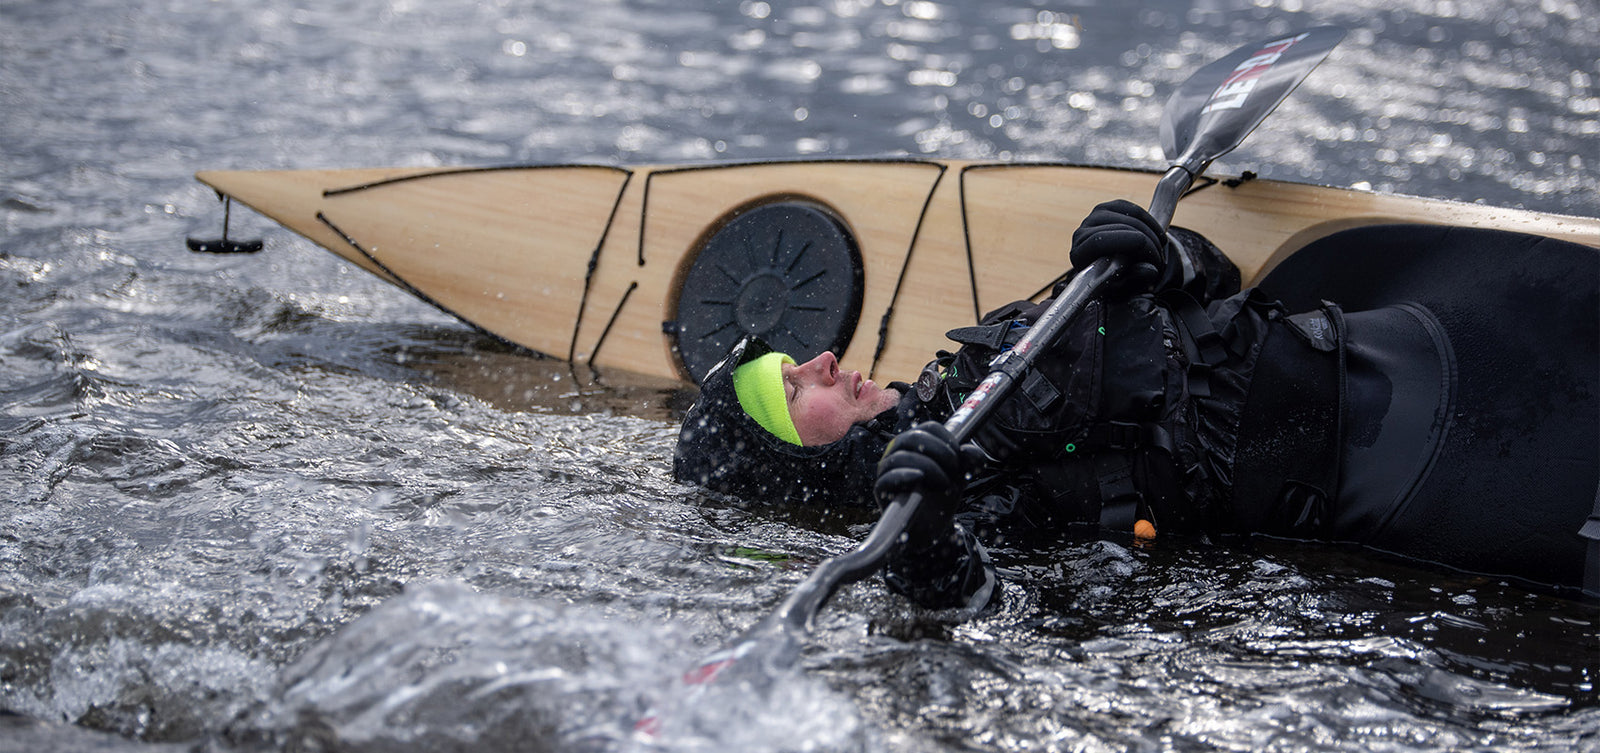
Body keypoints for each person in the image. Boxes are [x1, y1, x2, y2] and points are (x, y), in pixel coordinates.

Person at [674, 201, 1600, 609]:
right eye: (793, 391)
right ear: (798, 464)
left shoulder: (981, 353)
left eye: (801, 359)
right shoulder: (955, 499)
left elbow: (1214, 284)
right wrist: (928, 549)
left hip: (1406, 334)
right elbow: (997, 608)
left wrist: (1165, 249)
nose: (825, 360)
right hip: (1423, 471)